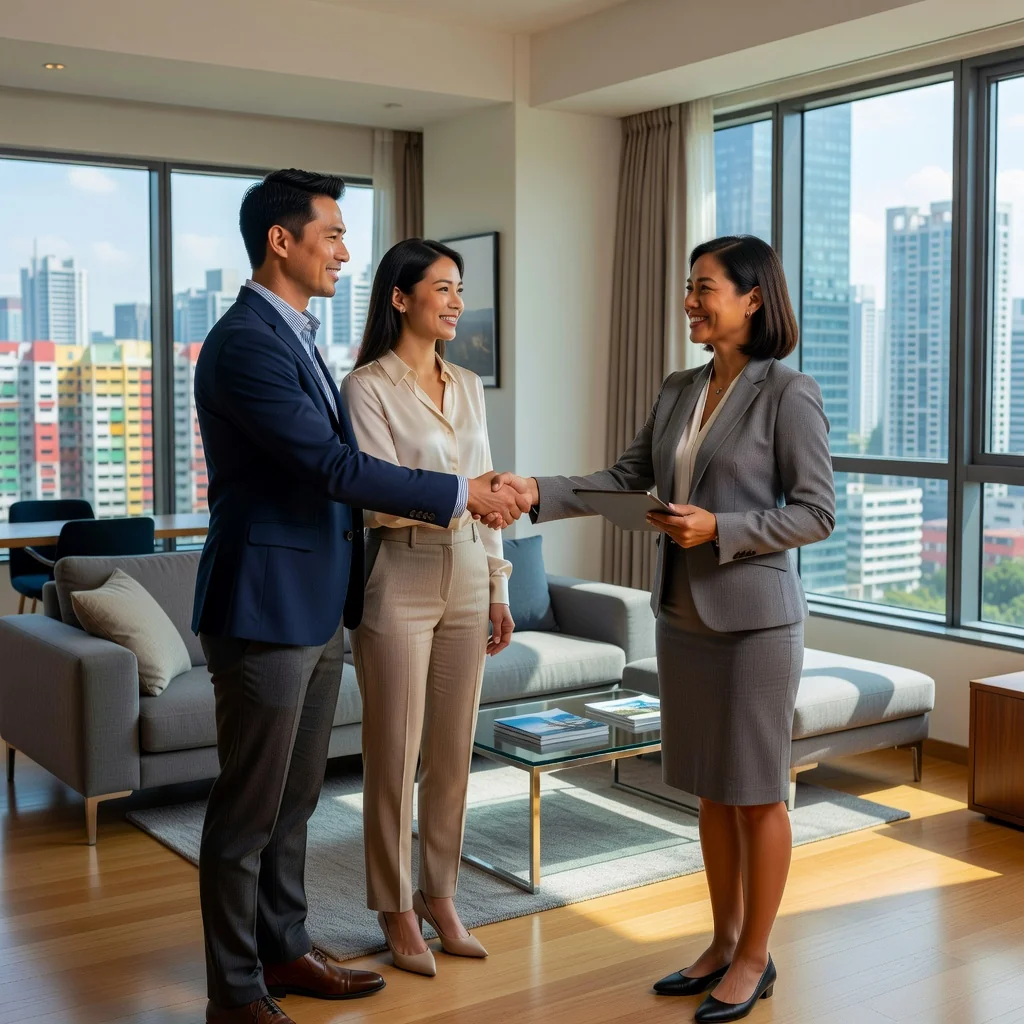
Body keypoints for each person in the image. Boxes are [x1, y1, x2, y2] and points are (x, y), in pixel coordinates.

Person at [191, 169, 527, 1024]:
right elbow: (333, 469)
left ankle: (286, 948)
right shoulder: (246, 343)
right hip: (265, 601)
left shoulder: (297, 336)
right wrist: (460, 494)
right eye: (333, 234)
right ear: (282, 240)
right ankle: (234, 992)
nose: (345, 251)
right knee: (248, 811)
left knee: (295, 800)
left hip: (315, 600)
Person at [497, 235, 835, 1023]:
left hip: (756, 622)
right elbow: (623, 479)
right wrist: (531, 490)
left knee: (756, 796)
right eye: (689, 287)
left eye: (705, 288)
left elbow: (816, 512)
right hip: (682, 614)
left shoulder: (789, 392)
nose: (690, 300)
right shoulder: (680, 387)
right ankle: (721, 941)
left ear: (753, 298)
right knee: (711, 793)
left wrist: (721, 525)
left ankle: (756, 956)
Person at [340, 239, 511, 976]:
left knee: (451, 754)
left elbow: (489, 489)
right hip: (400, 578)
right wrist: (459, 495)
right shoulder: (366, 387)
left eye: (460, 288)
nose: (455, 301)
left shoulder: (468, 384)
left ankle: (441, 896)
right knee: (393, 753)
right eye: (441, 288)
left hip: (471, 571)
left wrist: (500, 585)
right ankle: (394, 906)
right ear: (400, 298)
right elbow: (375, 495)